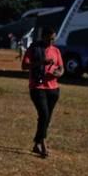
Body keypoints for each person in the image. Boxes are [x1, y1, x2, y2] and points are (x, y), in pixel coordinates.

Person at [21, 26, 63, 158]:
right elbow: (24, 66)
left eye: (53, 39)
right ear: (43, 37)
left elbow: (61, 67)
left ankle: (36, 143)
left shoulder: (56, 50)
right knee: (44, 114)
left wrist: (59, 73)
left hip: (53, 88)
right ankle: (43, 143)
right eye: (49, 39)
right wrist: (40, 63)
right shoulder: (33, 49)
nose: (51, 42)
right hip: (37, 88)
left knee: (47, 118)